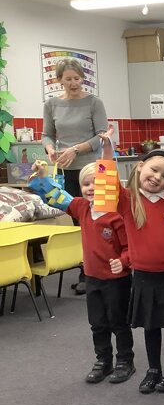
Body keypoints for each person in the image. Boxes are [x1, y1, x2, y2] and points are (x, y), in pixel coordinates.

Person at [99, 129, 164, 394]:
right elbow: (106, 182)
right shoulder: (127, 200)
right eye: (154, 170)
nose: (157, 177)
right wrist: (107, 151)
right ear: (140, 166)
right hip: (145, 277)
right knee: (151, 326)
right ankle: (153, 369)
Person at [29, 159, 134, 384]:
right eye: (86, 184)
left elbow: (130, 246)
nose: (91, 188)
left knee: (118, 322)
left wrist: (123, 261)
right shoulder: (81, 207)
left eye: (97, 183)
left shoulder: (116, 215)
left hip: (116, 280)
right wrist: (42, 176)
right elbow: (57, 196)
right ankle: (103, 361)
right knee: (97, 323)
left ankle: (125, 361)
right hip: (92, 278)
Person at [42, 58, 108, 295]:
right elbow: (47, 135)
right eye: (68, 79)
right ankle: (85, 268)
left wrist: (76, 149)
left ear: (83, 78)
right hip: (65, 171)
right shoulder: (51, 104)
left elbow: (102, 136)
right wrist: (50, 149)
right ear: (59, 80)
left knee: (97, 220)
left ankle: (95, 273)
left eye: (77, 78)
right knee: (77, 222)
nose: (73, 83)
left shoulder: (94, 103)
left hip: (92, 170)